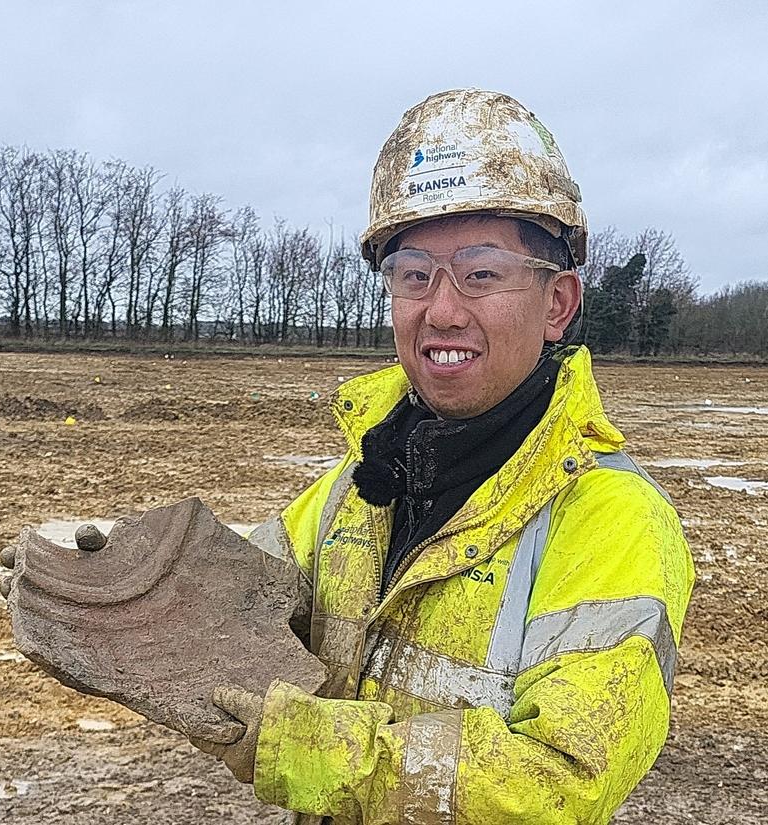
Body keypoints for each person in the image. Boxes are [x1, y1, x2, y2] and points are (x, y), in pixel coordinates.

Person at [203, 89, 696, 825]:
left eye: (481, 272)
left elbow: (558, 781)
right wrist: (114, 572)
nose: (440, 309)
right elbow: (230, 593)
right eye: (413, 273)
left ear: (556, 302)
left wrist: (316, 749)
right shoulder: (361, 482)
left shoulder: (613, 519)